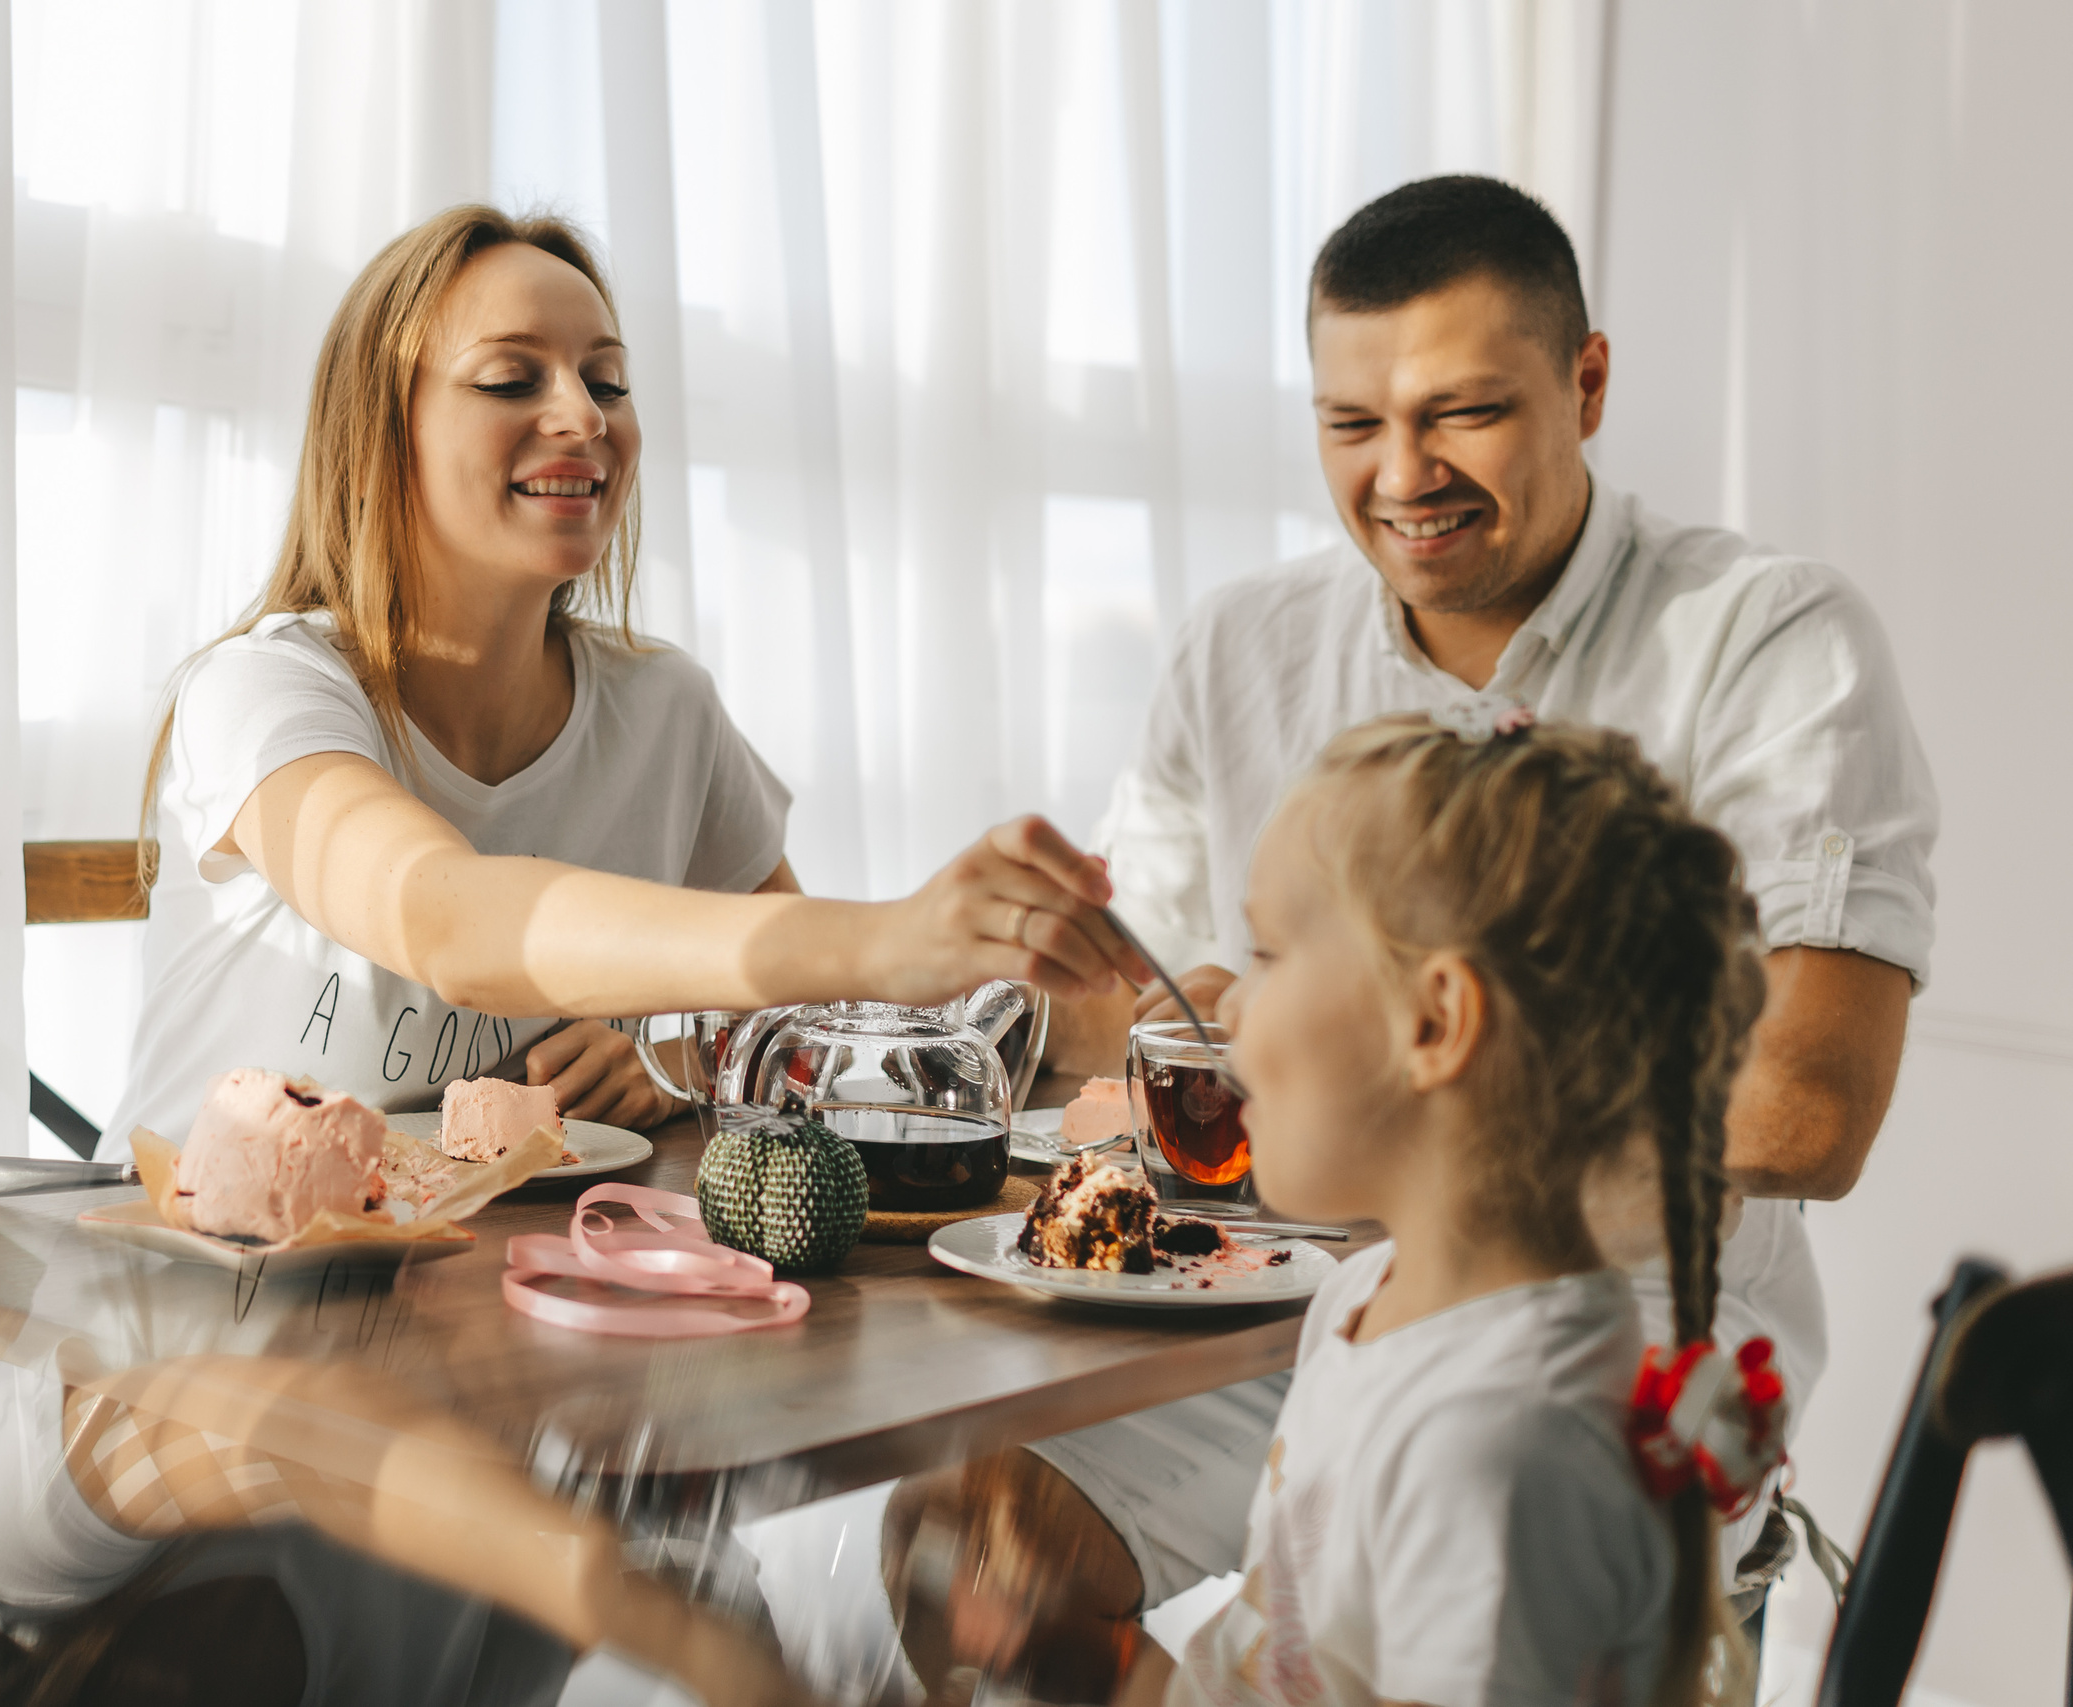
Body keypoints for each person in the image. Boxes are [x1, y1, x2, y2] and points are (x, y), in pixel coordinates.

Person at [899, 172, 1935, 1653]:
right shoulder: (1244, 646)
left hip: (1607, 1359)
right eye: (1350, 424)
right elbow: (1156, 1024)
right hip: (1308, 1316)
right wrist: (995, 962)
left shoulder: (1767, 640)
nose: (1402, 473)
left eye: (1462, 413)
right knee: (976, 1545)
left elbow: (1806, 1105)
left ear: (1586, 381)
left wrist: (1403, 1139)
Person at [98, 203, 1138, 1159]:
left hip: (466, 1307)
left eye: (606, 381)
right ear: (380, 431)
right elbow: (445, 920)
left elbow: (782, 1017)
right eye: (512, 379)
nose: (584, 417)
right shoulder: (260, 690)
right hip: (179, 1308)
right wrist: (889, 938)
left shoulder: (663, 710)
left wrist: (665, 1060)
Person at [1111, 711, 1771, 1706]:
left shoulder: (1498, 1452)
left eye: (1269, 954)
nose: (1230, 1009)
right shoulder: (1365, 1299)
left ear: (1434, 1022)